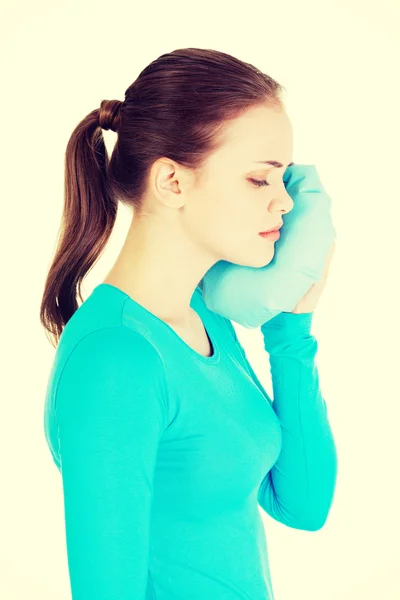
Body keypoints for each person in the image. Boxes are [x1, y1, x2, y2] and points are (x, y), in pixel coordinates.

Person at [40, 47, 338, 600]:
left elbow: (304, 504)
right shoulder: (116, 357)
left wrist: (291, 328)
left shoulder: (203, 317)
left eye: (284, 181)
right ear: (173, 182)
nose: (285, 205)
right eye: (259, 180)